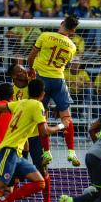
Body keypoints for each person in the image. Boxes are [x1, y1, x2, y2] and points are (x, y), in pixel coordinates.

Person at [28, 14, 80, 167]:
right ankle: (71, 152)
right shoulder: (72, 46)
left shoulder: (45, 36)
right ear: (73, 30)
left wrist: (31, 69)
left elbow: (31, 56)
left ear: (62, 23)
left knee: (42, 117)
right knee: (66, 117)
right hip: (58, 81)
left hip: (42, 80)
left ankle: (47, 152)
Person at [7, 63, 56, 202]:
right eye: (20, 71)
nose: (25, 72)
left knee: (43, 169)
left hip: (35, 135)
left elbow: (43, 106)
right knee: (14, 174)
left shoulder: (34, 86)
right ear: (14, 76)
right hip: (20, 137)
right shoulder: (10, 91)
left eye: (24, 69)